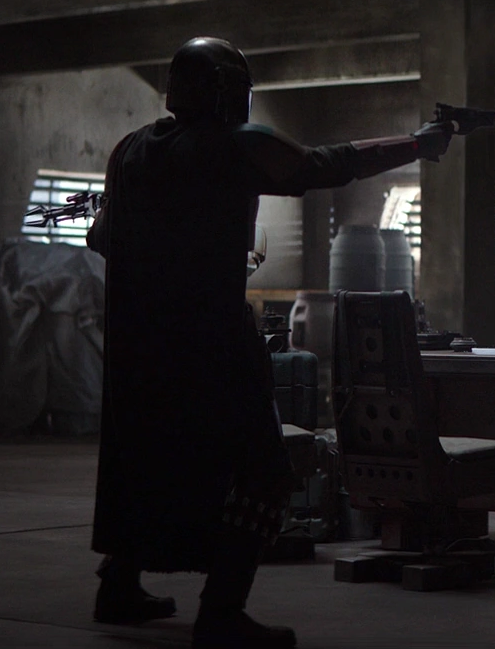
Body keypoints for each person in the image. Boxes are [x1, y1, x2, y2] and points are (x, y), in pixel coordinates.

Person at [85, 37, 455, 648]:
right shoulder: (236, 144)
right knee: (264, 473)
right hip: (208, 341)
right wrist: (415, 145)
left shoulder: (129, 150)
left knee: (144, 464)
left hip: (138, 346)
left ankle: (118, 585)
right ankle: (221, 612)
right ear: (230, 93)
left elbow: (101, 237)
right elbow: (326, 165)